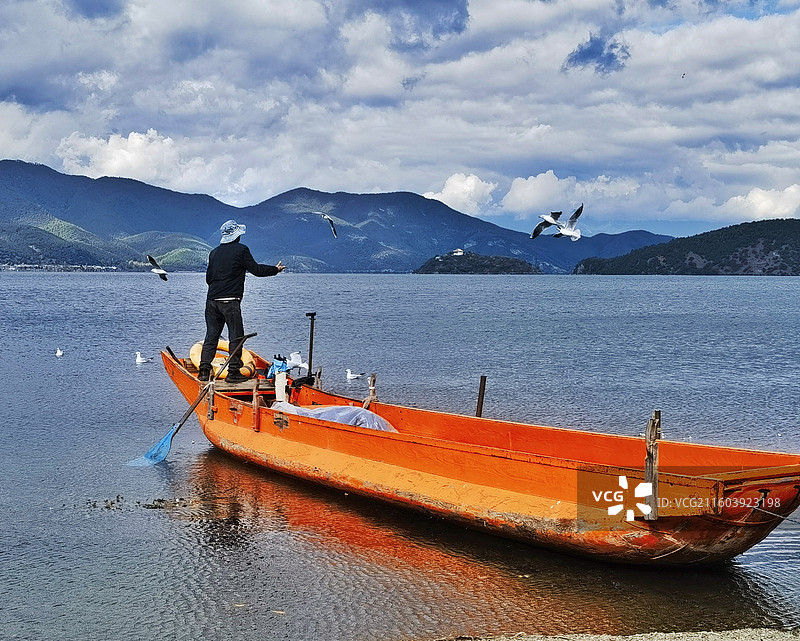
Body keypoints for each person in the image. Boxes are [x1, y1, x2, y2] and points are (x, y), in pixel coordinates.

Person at [199, 219, 286, 382]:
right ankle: (233, 373)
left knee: (211, 335)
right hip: (230, 301)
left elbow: (209, 279)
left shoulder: (214, 253)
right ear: (237, 236)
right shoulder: (241, 250)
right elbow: (257, 271)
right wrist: (276, 269)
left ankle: (204, 371)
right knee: (236, 336)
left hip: (211, 301)